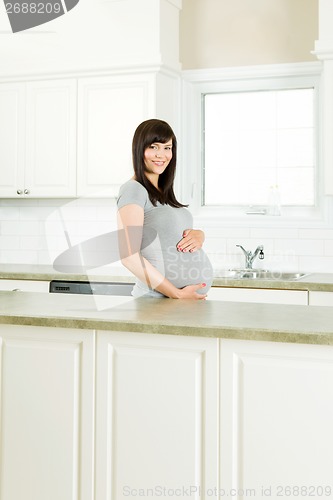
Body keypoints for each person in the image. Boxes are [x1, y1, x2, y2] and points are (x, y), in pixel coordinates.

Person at [117, 118, 213, 299]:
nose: (161, 154)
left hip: (179, 303)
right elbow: (128, 256)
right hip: (156, 301)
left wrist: (199, 235)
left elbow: (170, 235)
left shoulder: (163, 194)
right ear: (139, 149)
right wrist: (176, 293)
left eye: (167, 148)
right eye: (153, 147)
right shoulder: (133, 189)